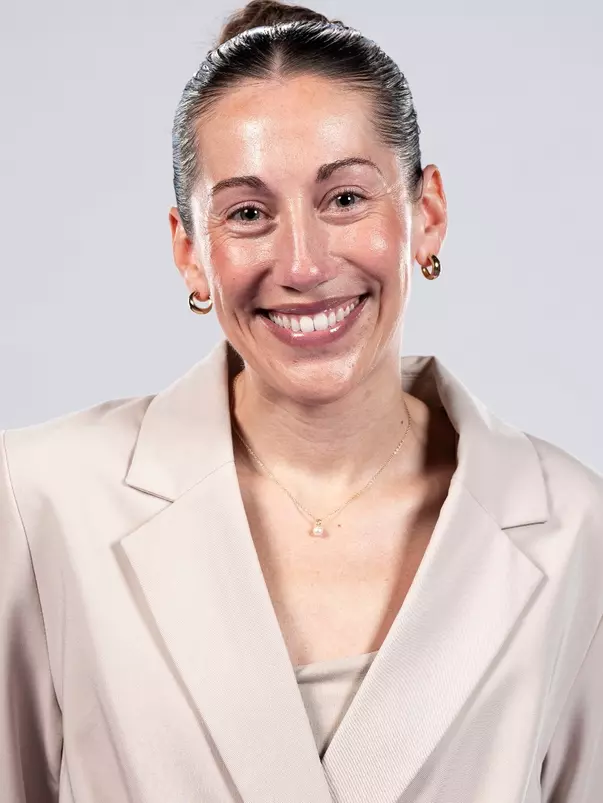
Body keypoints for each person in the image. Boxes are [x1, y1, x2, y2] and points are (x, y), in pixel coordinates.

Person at [1, 1, 602, 801]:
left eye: (345, 199)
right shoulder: (38, 503)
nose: (304, 263)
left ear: (426, 215)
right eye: (248, 213)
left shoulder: (571, 527)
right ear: (190, 250)